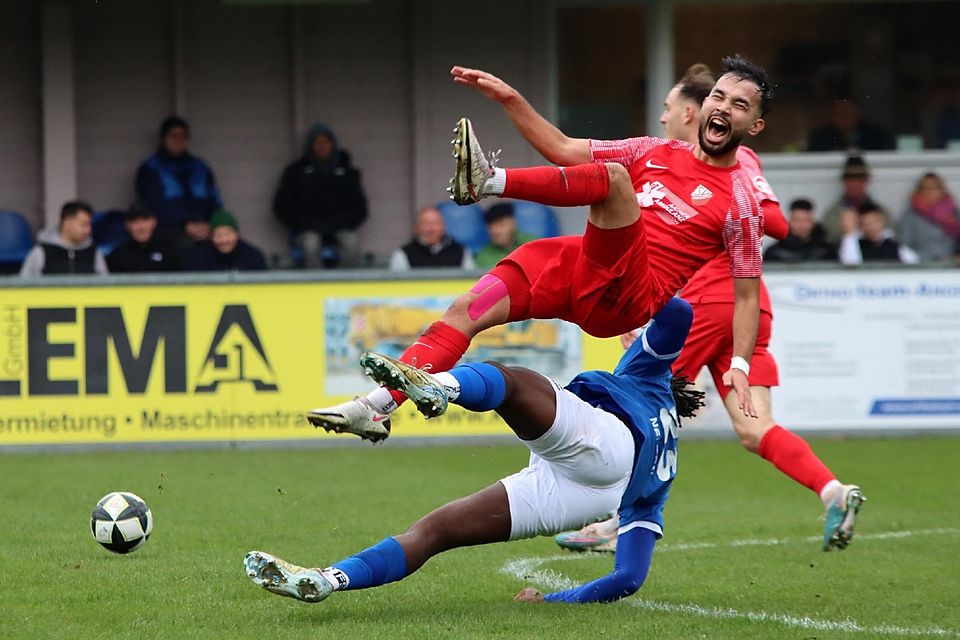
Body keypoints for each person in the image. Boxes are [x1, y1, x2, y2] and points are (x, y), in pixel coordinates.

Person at [455, 62, 864, 552]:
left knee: (636, 405)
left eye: (669, 108)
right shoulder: (662, 154)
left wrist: (742, 215)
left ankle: (615, 521)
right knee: (755, 429)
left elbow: (770, 223)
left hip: (711, 304)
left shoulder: (735, 170)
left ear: (689, 112)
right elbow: (567, 150)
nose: (664, 115)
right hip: (740, 317)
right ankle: (833, 490)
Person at [307, 55, 773, 442]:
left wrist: (738, 363)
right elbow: (564, 148)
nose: (724, 107)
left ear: (754, 125)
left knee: (611, 178)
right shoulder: (655, 151)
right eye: (718, 96)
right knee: (469, 308)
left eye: (739, 104)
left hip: (630, 295)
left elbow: (747, 295)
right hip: (584, 268)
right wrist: (511, 99)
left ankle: (489, 181)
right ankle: (377, 407)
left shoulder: (743, 202)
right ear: (706, 103)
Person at [246, 298, 705, 605]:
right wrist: (552, 601)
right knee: (439, 530)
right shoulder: (668, 468)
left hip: (606, 447)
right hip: (588, 494)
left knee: (507, 380)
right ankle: (327, 580)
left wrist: (634, 288)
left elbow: (677, 313)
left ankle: (438, 385)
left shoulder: (649, 374)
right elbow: (628, 578)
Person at [273, 123, 368, 268]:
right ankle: (316, 286)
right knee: (310, 244)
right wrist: (304, 223)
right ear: (310, 146)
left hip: (340, 226)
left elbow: (360, 209)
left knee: (352, 243)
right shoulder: (296, 172)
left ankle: (344, 285)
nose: (322, 146)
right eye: (317, 142)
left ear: (333, 144)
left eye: (326, 142)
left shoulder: (348, 173)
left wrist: (340, 222)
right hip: (307, 228)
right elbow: (281, 206)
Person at [135, 115, 222, 233]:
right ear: (163, 138)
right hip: (169, 231)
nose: (179, 140)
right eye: (173, 136)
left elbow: (215, 200)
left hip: (205, 229)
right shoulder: (151, 168)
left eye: (183, 136)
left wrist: (212, 224)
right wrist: (185, 225)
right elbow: (152, 207)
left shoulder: (200, 167)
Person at [20, 200, 108, 276]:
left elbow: (106, 288)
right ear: (67, 223)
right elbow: (23, 287)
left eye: (89, 225)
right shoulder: (40, 253)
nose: (88, 230)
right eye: (84, 225)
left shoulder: (94, 253)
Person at [820, 155, 890, 245]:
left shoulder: (882, 212)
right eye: (851, 179)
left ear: (867, 181)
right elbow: (829, 241)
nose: (855, 184)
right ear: (844, 182)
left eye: (860, 179)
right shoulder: (832, 214)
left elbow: (891, 239)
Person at [896, 172, 960, 264]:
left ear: (942, 190)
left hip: (950, 264)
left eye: (935, 187)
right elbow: (904, 243)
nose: (930, 191)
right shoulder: (911, 214)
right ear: (920, 191)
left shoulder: (953, 212)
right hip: (921, 265)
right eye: (926, 188)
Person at [388, 206, 474, 271]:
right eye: (425, 224)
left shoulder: (461, 252)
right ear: (416, 228)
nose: (431, 229)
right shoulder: (402, 254)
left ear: (444, 226)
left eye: (435, 223)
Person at [106, 204, 182, 273]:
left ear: (154, 222)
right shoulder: (117, 256)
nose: (141, 227)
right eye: (135, 221)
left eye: (145, 220)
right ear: (127, 225)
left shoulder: (169, 252)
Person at [184, 208, 267, 271]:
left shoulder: (253, 257)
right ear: (211, 237)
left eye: (228, 234)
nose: (224, 240)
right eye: (218, 235)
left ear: (237, 234)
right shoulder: (198, 258)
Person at [839, 202, 919, 265]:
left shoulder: (895, 246)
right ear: (859, 226)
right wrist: (849, 234)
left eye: (874, 222)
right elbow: (850, 266)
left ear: (882, 221)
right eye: (865, 223)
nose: (871, 227)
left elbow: (915, 265)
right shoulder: (855, 245)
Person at [806, 98, 895, 152]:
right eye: (841, 114)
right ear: (833, 117)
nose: (846, 118)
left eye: (849, 113)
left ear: (858, 115)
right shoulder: (820, 136)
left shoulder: (876, 134)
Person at [764, 198, 837, 263]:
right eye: (797, 220)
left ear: (813, 222)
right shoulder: (775, 253)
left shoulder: (826, 251)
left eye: (806, 220)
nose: (801, 225)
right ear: (789, 222)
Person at [473, 203, 537, 269]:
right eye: (490, 226)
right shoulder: (484, 256)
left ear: (513, 223)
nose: (495, 231)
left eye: (500, 224)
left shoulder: (533, 243)